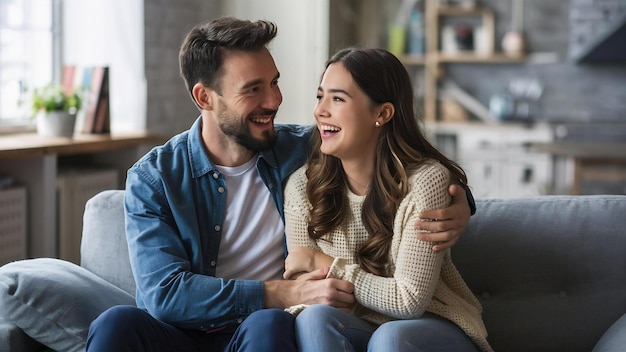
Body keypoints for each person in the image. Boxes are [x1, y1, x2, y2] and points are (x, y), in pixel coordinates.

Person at [86, 17, 475, 352]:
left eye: (274, 82)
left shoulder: (301, 150)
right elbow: (165, 295)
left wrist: (460, 199)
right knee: (116, 323)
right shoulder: (155, 178)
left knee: (268, 324)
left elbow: (387, 151)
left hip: (261, 330)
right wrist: (281, 292)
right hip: (182, 333)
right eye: (253, 88)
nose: (274, 100)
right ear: (205, 97)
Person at [282, 47, 493, 352]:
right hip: (357, 326)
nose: (320, 111)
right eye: (320, 96)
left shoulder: (426, 181)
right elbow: (308, 292)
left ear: (382, 113)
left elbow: (409, 301)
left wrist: (324, 263)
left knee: (390, 338)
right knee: (314, 319)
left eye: (338, 99)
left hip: (432, 329)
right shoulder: (302, 186)